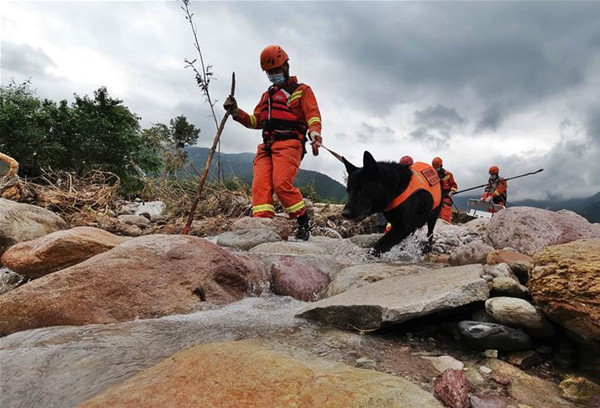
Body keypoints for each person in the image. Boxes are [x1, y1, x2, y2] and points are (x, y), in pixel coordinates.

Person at [223, 45, 323, 240]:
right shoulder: (267, 96)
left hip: (289, 144)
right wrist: (236, 112)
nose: (272, 75)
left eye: (276, 70)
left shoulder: (302, 90)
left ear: (286, 66)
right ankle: (262, 227)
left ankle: (303, 221)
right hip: (267, 146)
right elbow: (256, 121)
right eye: (269, 72)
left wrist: (315, 134)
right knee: (260, 186)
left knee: (281, 184)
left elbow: (313, 115)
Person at [432, 157, 457, 223]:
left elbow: (453, 185)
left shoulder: (448, 174)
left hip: (445, 197)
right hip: (436, 198)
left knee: (446, 216)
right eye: (435, 168)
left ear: (441, 165)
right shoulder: (432, 175)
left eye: (437, 167)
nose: (436, 169)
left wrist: (452, 191)